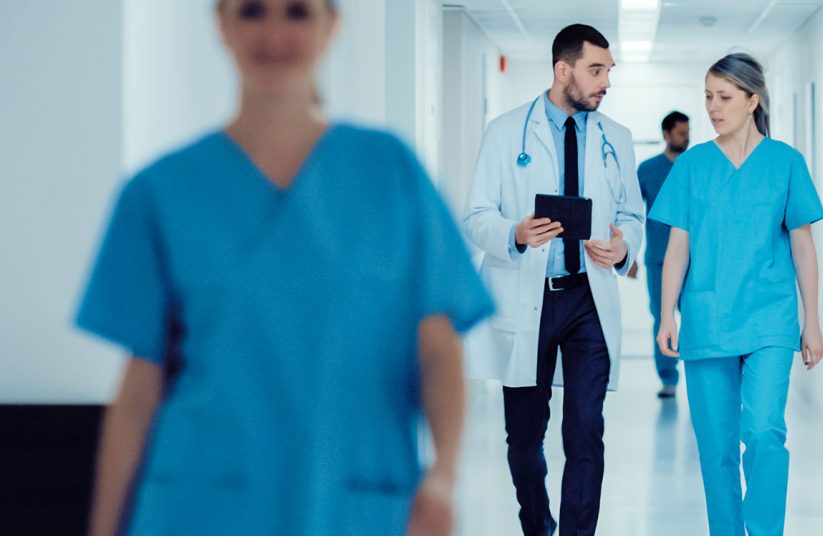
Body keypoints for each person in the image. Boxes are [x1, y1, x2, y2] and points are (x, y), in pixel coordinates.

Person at [76, 1, 494, 534]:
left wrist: (444, 473)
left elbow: (436, 345)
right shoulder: (161, 191)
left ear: (330, 26)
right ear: (222, 24)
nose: (274, 34)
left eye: (297, 12)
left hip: (352, 498)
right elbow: (140, 385)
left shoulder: (389, 173)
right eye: (252, 11)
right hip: (202, 503)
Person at [461, 23, 644, 536]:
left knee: (586, 432)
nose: (606, 81)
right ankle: (538, 524)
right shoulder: (505, 132)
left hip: (588, 297)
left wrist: (624, 246)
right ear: (563, 70)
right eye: (596, 70)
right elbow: (475, 216)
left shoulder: (616, 138)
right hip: (528, 296)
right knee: (524, 438)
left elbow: (632, 214)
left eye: (608, 70)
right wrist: (514, 233)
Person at [651, 53, 823, 536]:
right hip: (707, 319)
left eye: (724, 97)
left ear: (752, 101)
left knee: (765, 430)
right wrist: (666, 315)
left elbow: (804, 247)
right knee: (717, 448)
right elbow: (678, 247)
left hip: (770, 319)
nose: (713, 107)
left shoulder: (786, 163)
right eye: (708, 97)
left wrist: (812, 320)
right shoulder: (692, 166)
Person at [637, 110, 690, 398]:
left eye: (687, 132)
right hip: (658, 258)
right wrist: (629, 255)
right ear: (666, 134)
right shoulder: (647, 170)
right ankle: (668, 378)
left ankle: (698, 376)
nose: (685, 138)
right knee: (662, 317)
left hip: (694, 260)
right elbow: (631, 214)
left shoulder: (696, 166)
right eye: (680, 133)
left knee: (694, 317)